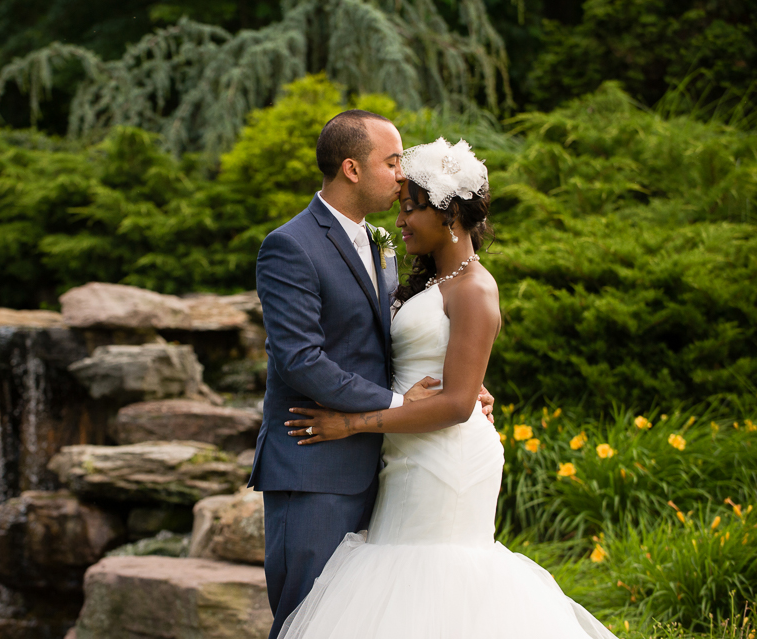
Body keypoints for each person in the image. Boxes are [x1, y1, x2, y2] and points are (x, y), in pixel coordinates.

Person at [277, 138, 618, 638]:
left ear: (450, 213)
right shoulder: (429, 279)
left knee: (436, 584)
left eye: (412, 209)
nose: (401, 220)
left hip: (446, 458)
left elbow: (458, 404)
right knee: (396, 588)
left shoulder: (475, 287)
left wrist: (350, 423)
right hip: (409, 448)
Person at [249, 111, 494, 639]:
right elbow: (301, 360)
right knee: (304, 622)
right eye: (391, 161)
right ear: (352, 169)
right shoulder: (290, 245)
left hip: (391, 469)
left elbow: (395, 343)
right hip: (316, 463)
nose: (401, 173)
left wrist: (462, 388)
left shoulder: (381, 244)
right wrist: (401, 401)